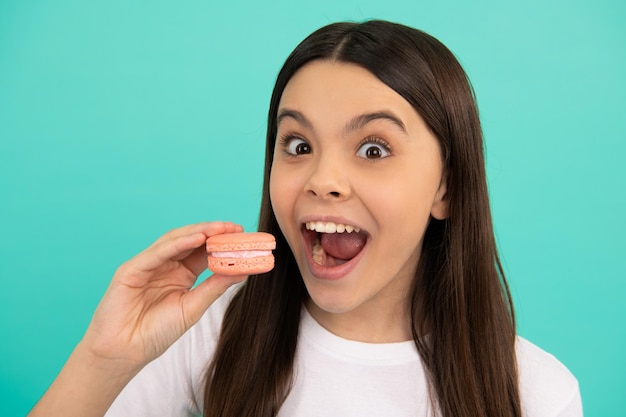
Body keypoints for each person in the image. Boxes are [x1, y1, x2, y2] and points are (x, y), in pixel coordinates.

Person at [28, 20, 582, 417]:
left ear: (448, 188)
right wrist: (104, 357)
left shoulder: (537, 394)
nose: (321, 179)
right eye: (297, 144)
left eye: (373, 149)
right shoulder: (215, 336)